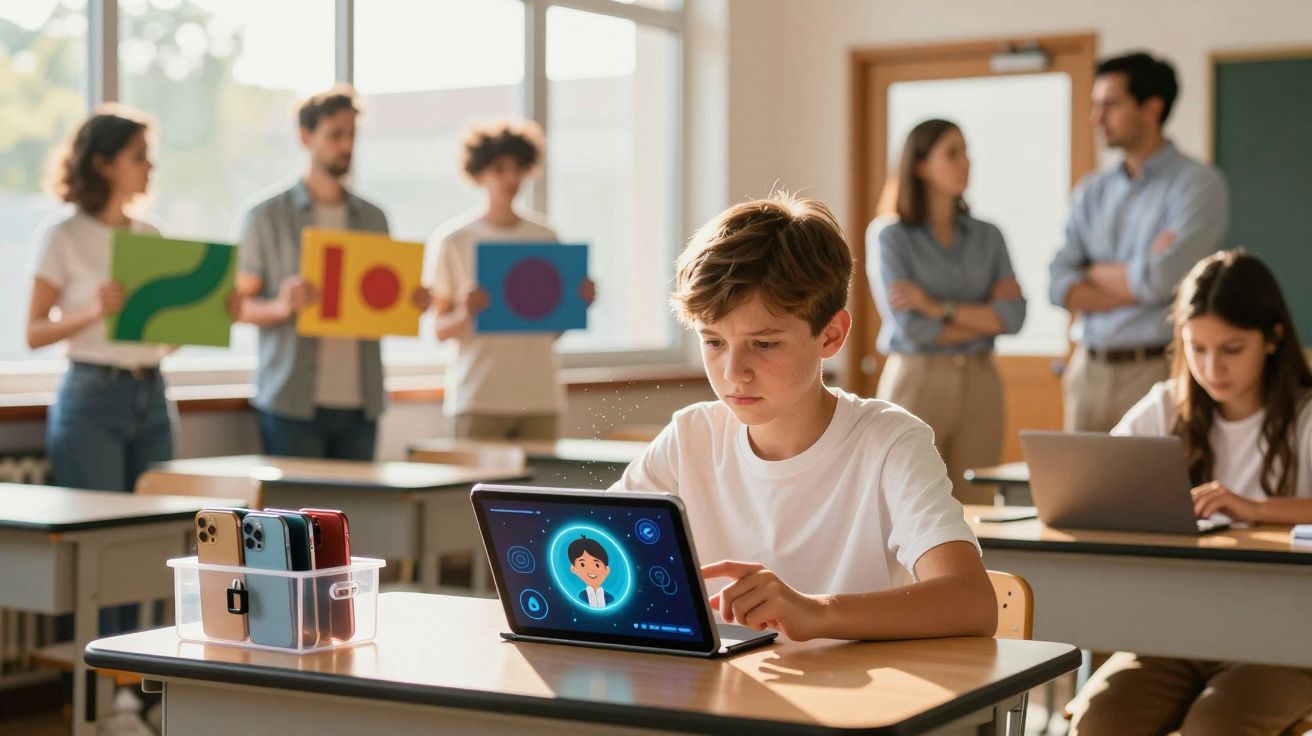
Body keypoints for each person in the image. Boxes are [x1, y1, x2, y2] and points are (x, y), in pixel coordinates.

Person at [613, 192, 996, 642]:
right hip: (721, 683)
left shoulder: (890, 442)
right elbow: (600, 556)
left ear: (831, 336)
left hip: (853, 687)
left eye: (764, 344)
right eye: (713, 341)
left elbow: (972, 602)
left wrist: (816, 613)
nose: (734, 372)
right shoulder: (689, 437)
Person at [1069, 251, 1312, 735]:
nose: (1212, 366)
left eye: (1232, 349)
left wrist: (1255, 509)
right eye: (1196, 348)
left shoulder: (1305, 416)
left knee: (1213, 728)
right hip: (1177, 632)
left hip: (1287, 640)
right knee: (1099, 723)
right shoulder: (1166, 406)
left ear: (1272, 339)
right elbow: (1097, 482)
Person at [236, 86, 428, 459]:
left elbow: (379, 301)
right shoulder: (266, 216)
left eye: (352, 134)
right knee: (297, 501)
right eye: (335, 135)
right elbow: (239, 306)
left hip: (361, 403)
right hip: (292, 403)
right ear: (305, 137)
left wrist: (410, 301)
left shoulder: (374, 217)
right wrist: (281, 305)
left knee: (357, 500)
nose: (346, 145)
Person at [1049, 51, 1229, 432]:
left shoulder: (1198, 185)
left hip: (1155, 370)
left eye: (1110, 105)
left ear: (1152, 107)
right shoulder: (1091, 191)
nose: (1097, 118)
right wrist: (1140, 279)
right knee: (1076, 473)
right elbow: (1059, 282)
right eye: (1096, 105)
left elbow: (1166, 278)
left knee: (1154, 473)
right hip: (1087, 371)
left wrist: (1091, 272)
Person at [869, 119, 1026, 503]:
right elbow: (911, 328)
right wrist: (985, 319)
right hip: (918, 378)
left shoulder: (989, 236)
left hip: (981, 381)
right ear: (920, 165)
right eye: (952, 153)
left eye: (966, 152)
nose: (966, 162)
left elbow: (1013, 317)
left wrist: (937, 307)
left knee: (977, 503)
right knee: (909, 500)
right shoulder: (891, 236)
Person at [27, 107, 177, 492]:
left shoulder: (152, 235)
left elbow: (162, 341)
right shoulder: (64, 234)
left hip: (153, 392)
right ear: (104, 164)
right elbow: (34, 333)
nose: (151, 166)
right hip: (92, 394)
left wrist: (207, 316)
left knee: (157, 517)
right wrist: (94, 311)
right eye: (139, 156)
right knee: (99, 518)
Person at [429, 119, 594, 440]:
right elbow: (439, 329)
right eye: (499, 169)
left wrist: (576, 303)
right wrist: (466, 312)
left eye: (518, 168)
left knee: (543, 476)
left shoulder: (545, 237)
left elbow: (550, 331)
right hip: (478, 397)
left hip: (540, 397)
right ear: (479, 173)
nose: (510, 178)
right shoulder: (454, 240)